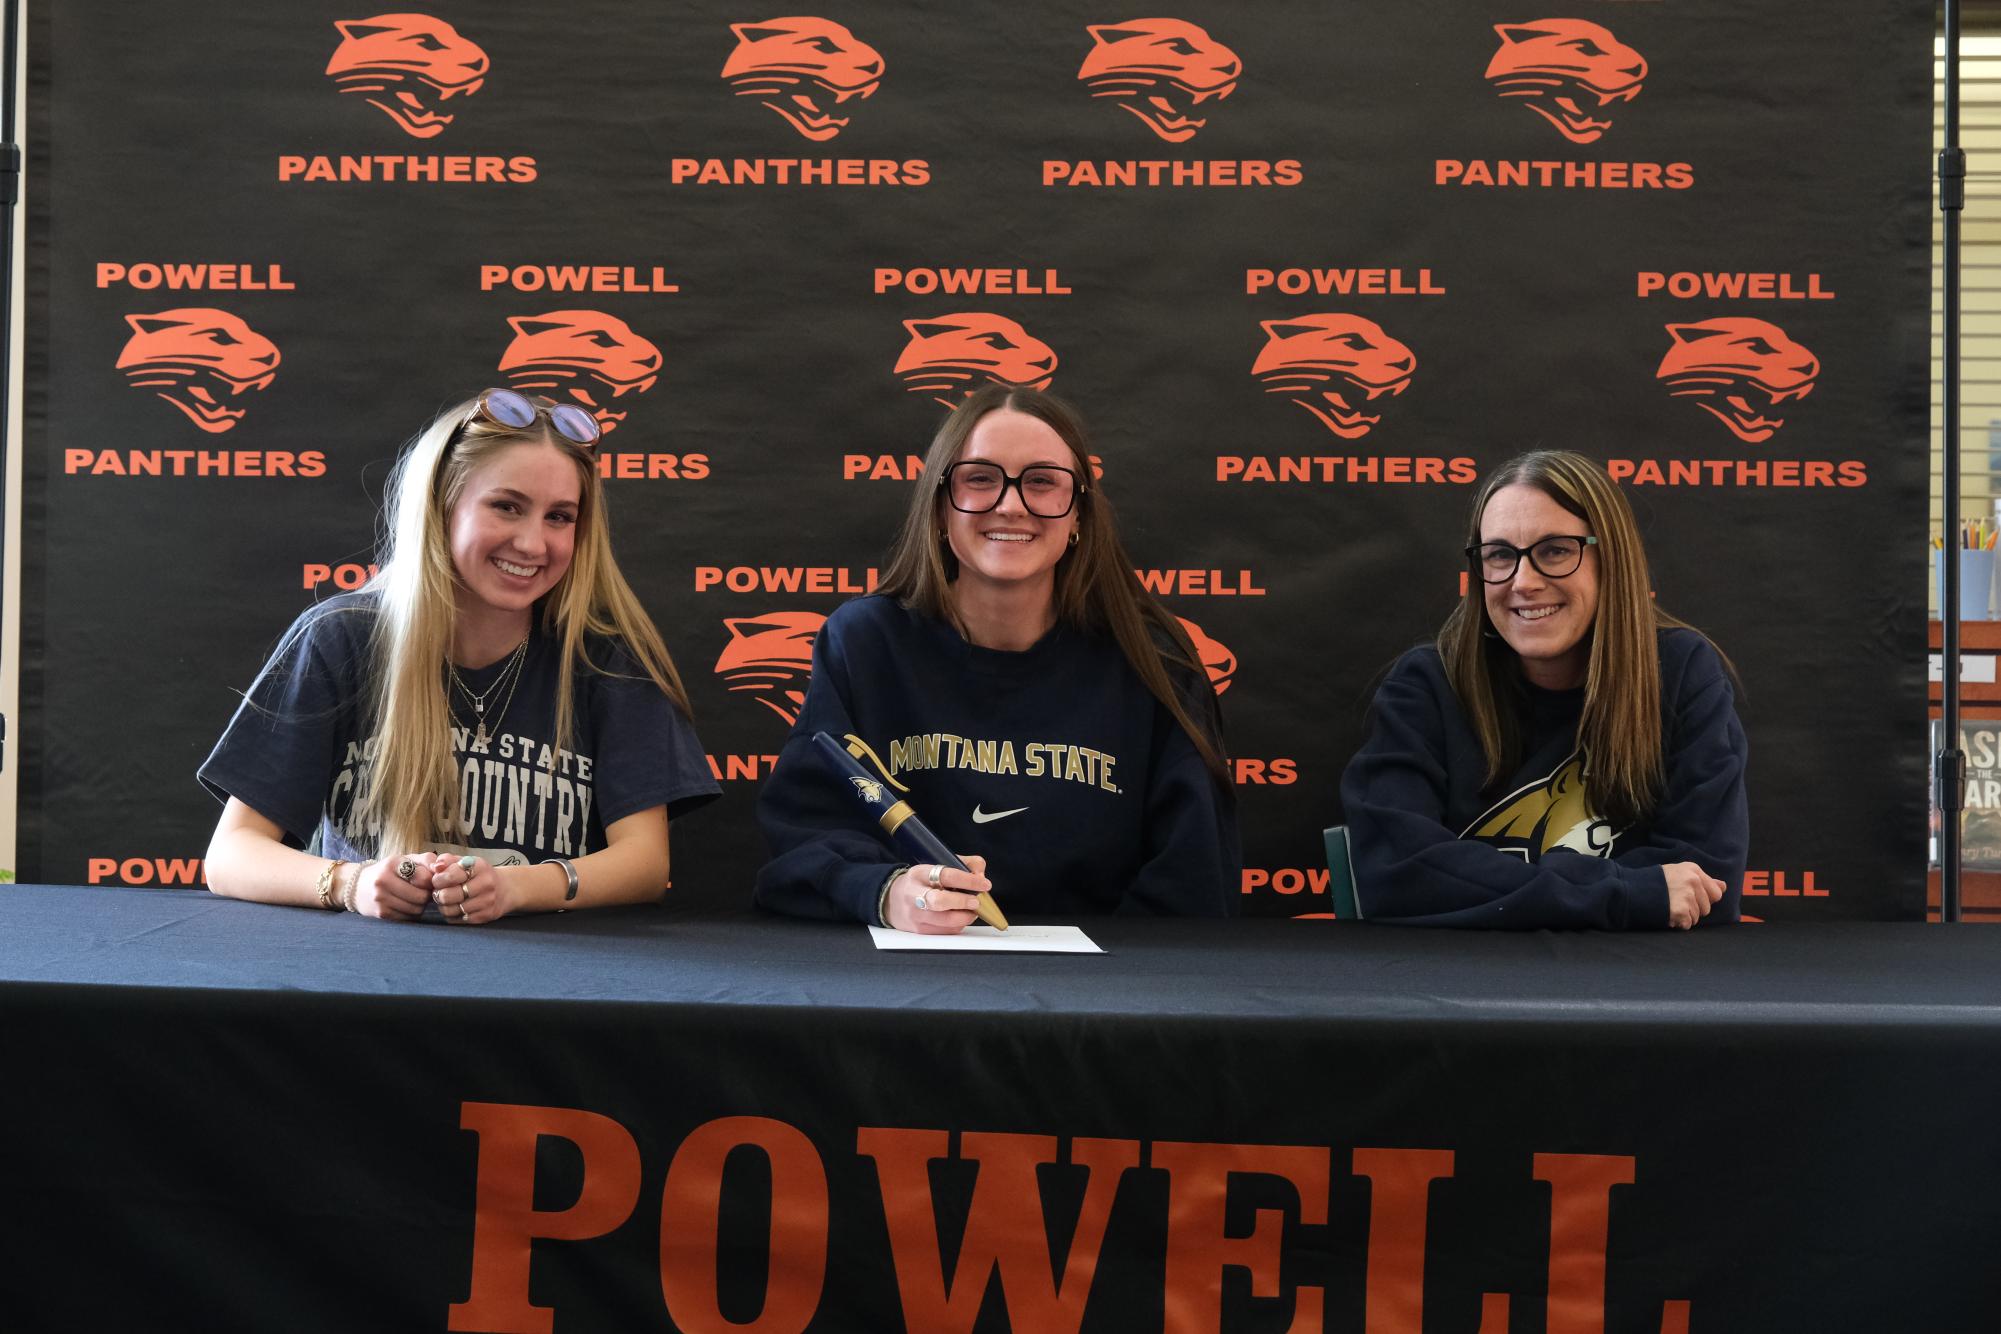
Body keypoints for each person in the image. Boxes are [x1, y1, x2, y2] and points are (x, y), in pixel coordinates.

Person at [200, 389, 718, 922]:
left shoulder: (606, 659)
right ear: (441, 504)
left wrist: (517, 888)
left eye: (559, 517)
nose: (533, 544)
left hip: (555, 980)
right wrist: (352, 884)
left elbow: (646, 864)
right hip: (367, 978)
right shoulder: (340, 639)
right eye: (507, 507)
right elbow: (231, 855)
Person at [753, 385, 1240, 931]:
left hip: (1104, 995)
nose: (1011, 504)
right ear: (940, 507)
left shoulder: (1154, 660)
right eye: (980, 479)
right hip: (905, 984)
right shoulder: (865, 643)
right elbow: (804, 839)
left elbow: (1194, 875)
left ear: (1078, 513)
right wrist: (887, 893)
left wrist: (1096, 992)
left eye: (1041, 482)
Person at [1339, 449, 1747, 929]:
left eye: (1555, 550)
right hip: (1460, 990)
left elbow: (1703, 885)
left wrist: (1478, 884)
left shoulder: (1680, 672)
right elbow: (1393, 871)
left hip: (1633, 990)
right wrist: (1626, 892)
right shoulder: (1427, 684)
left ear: (1610, 559)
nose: (1523, 581)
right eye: (1499, 555)